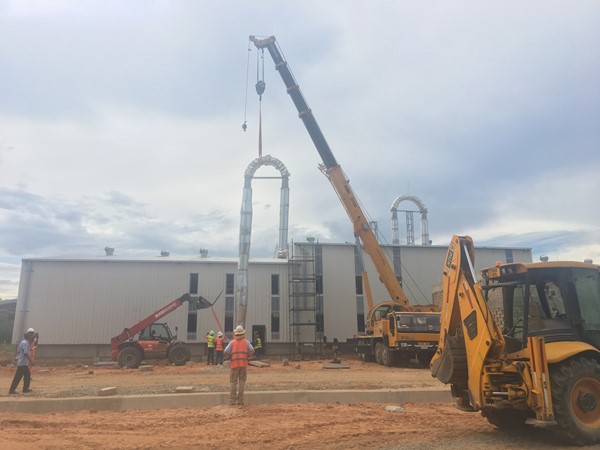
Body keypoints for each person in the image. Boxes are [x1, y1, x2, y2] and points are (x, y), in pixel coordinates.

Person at [224, 325, 254, 406]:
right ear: (243, 333)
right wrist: (247, 356)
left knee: (233, 383)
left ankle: (232, 401)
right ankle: (240, 400)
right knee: (242, 382)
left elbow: (225, 352)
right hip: (243, 365)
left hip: (234, 365)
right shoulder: (246, 342)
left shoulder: (232, 343)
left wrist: (230, 356)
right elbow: (252, 350)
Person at [9, 328, 36, 395]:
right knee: (20, 377)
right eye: (31, 336)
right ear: (28, 337)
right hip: (23, 363)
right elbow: (26, 354)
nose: (32, 338)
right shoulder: (25, 343)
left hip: (23, 363)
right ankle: (14, 390)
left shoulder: (25, 343)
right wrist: (31, 361)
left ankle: (24, 389)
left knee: (26, 376)